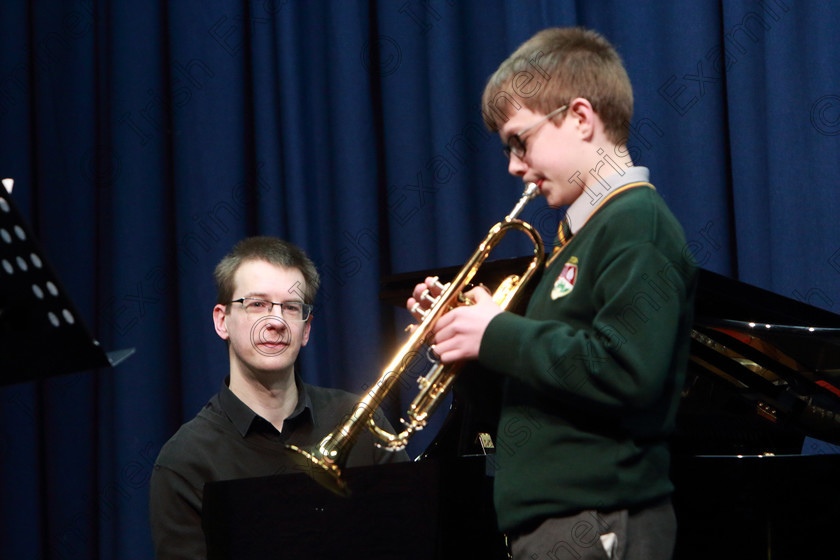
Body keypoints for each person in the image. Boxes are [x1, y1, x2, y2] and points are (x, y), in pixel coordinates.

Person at [407, 28, 697, 560]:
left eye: (521, 140)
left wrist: (497, 332)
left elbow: (629, 373)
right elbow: (531, 404)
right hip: (555, 525)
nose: (515, 165)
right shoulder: (575, 240)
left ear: (581, 118)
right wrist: (465, 344)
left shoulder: (637, 222)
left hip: (597, 520)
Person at [150, 236, 407, 559]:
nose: (275, 322)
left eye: (290, 307)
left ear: (306, 328)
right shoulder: (184, 460)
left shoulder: (360, 421)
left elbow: (410, 536)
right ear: (221, 320)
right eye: (257, 304)